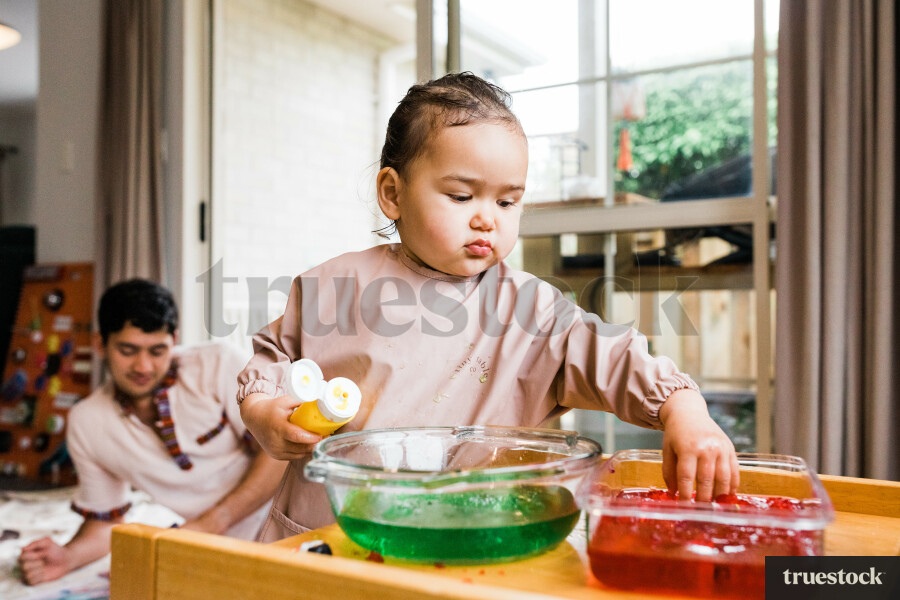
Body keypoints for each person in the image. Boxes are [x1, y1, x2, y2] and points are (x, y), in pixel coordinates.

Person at [238, 72, 739, 542]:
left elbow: (615, 357)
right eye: (461, 196)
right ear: (393, 194)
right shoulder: (334, 285)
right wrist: (262, 412)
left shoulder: (533, 311)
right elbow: (272, 358)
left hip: (468, 541)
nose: (487, 220)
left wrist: (684, 410)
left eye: (507, 202)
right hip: (328, 534)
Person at [18, 279, 285, 585]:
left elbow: (277, 452)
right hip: (211, 553)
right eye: (128, 350)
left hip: (289, 524)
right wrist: (67, 558)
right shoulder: (87, 422)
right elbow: (106, 521)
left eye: (157, 350)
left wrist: (212, 523)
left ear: (174, 339)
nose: (143, 366)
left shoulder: (218, 363)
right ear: (99, 344)